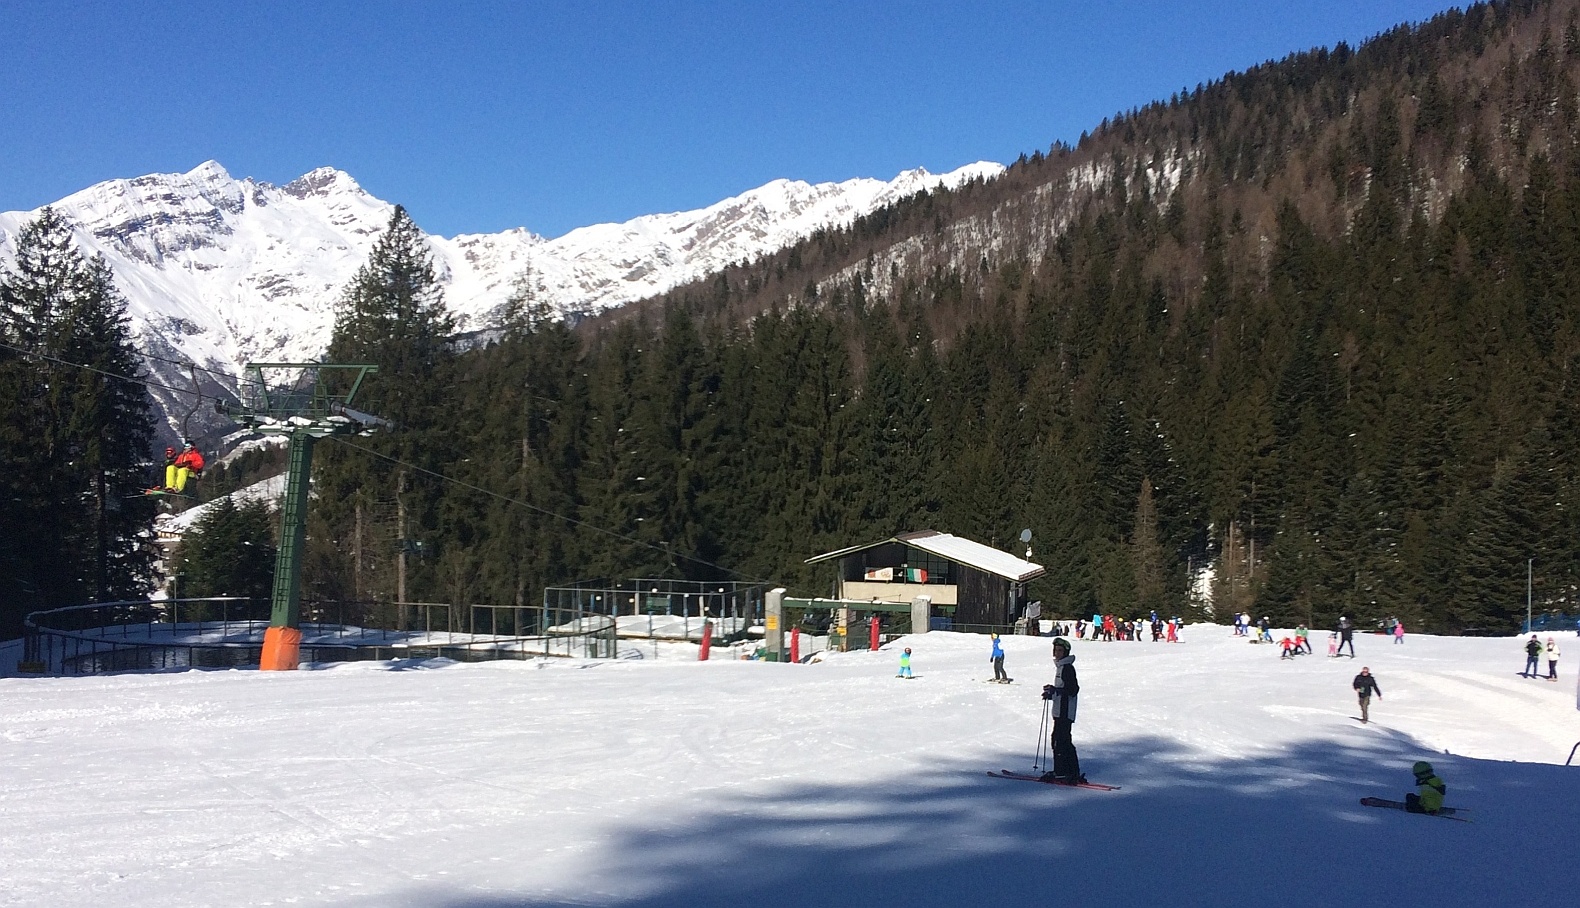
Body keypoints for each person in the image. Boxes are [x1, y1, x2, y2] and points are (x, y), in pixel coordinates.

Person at [1039, 637, 1083, 784]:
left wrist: (1055, 690)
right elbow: (1063, 690)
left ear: (1065, 652)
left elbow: (1072, 690)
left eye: (1059, 650)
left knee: (1059, 741)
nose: (1056, 653)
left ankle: (1062, 771)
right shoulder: (1061, 667)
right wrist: (1051, 693)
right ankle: (1071, 771)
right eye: (1055, 650)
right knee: (1062, 740)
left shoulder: (1067, 668)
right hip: (1060, 711)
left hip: (1065, 712)